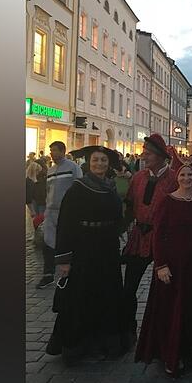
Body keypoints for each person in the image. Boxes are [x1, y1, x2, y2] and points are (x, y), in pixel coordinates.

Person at [45, 146, 128, 363]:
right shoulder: (78, 188)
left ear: (108, 164)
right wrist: (64, 260)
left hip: (107, 250)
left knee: (106, 297)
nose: (100, 164)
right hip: (84, 249)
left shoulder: (110, 187)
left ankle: (104, 343)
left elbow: (118, 216)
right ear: (89, 163)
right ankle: (78, 346)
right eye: (95, 160)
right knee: (82, 297)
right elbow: (65, 223)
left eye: (103, 160)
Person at [135, 164, 192, 377]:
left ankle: (188, 352)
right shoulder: (167, 201)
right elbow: (158, 235)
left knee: (190, 309)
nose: (186, 178)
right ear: (177, 177)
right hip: (172, 265)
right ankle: (170, 355)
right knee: (171, 311)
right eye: (183, 174)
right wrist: (161, 265)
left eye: (190, 174)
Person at [121, 134, 178, 344]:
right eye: (144, 152)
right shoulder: (138, 177)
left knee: (167, 288)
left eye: (148, 153)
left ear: (161, 156)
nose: (143, 156)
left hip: (164, 240)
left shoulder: (174, 179)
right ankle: (128, 330)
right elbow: (129, 206)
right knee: (129, 288)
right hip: (139, 237)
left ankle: (165, 334)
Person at [37, 141, 82, 289]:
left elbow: (78, 187)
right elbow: (48, 190)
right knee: (47, 243)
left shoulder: (73, 167)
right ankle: (48, 274)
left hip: (67, 212)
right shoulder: (50, 170)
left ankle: (71, 271)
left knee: (67, 241)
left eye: (55, 150)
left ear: (63, 151)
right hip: (51, 212)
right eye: (51, 151)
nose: (52, 153)